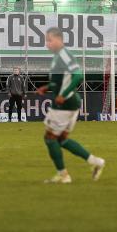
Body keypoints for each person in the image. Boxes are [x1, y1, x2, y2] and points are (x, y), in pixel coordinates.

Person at [36, 28, 105, 184]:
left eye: (50, 40)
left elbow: (78, 75)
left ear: (59, 40)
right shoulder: (58, 57)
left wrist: (62, 94)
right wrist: (47, 87)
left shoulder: (64, 55)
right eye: (46, 40)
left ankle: (63, 175)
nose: (47, 44)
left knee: (50, 138)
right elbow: (61, 80)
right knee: (61, 139)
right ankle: (95, 162)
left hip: (64, 104)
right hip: (71, 102)